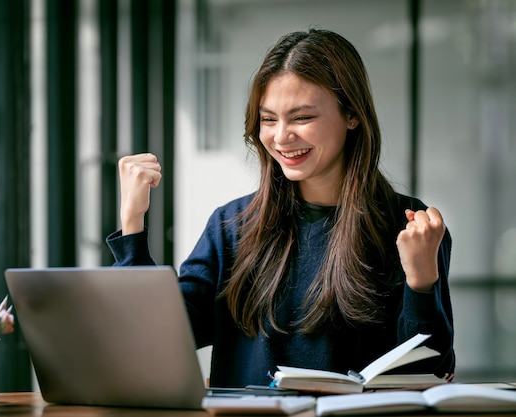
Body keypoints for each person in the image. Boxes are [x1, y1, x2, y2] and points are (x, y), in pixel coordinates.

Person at [106, 29, 455, 388]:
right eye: (269, 119)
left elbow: (430, 374)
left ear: (352, 115)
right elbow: (159, 337)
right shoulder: (232, 226)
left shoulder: (410, 228)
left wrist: (421, 281)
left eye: (302, 118)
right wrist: (132, 223)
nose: (281, 136)